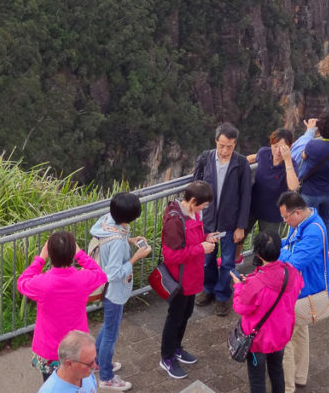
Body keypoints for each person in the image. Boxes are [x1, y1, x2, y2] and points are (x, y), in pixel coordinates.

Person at [17, 230, 107, 383]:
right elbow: (100, 274)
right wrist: (80, 254)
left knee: (53, 386)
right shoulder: (83, 279)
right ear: (72, 254)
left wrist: (40, 258)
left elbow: (22, 281)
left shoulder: (41, 283)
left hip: (49, 350)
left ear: (50, 255)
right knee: (79, 385)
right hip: (77, 350)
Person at [90, 192, 152, 389]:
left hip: (110, 290)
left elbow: (115, 239)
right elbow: (114, 273)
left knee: (108, 327)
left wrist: (130, 240)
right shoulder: (116, 240)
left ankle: (97, 362)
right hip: (114, 292)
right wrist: (136, 257)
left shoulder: (107, 221)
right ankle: (106, 377)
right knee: (111, 333)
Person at [231, 230, 304, 393]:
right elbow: (298, 287)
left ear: (258, 254)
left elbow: (240, 307)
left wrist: (238, 286)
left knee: (257, 381)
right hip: (281, 335)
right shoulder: (290, 272)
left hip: (258, 340)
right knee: (277, 370)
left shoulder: (256, 284)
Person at [160, 180, 216, 379]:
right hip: (180, 279)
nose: (205, 208)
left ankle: (176, 347)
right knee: (174, 317)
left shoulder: (194, 212)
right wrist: (200, 248)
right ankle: (166, 357)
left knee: (186, 313)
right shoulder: (174, 221)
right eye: (203, 205)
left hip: (192, 276)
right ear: (193, 201)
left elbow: (194, 238)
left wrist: (206, 238)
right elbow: (171, 256)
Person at [193, 122, 252, 316]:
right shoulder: (205, 158)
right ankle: (208, 289)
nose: (225, 150)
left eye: (230, 146)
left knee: (227, 262)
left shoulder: (241, 163)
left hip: (229, 223)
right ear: (216, 141)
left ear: (235, 144)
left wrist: (241, 226)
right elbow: (196, 187)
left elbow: (245, 196)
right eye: (222, 145)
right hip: (208, 222)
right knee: (207, 259)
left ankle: (223, 295)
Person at [277, 191, 329, 393]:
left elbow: (294, 261)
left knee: (286, 340)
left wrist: (277, 250)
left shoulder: (313, 231)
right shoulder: (306, 222)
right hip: (303, 290)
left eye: (285, 217)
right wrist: (279, 243)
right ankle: (300, 377)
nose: (284, 221)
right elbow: (291, 245)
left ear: (297, 213)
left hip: (303, 292)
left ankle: (286, 386)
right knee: (300, 332)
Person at [291, 111, 329, 231]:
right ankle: (324, 248)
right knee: (326, 223)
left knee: (304, 224)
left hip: (309, 192)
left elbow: (302, 155)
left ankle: (306, 248)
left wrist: (310, 130)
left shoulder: (313, 145)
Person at [247, 129, 299, 235]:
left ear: (290, 147)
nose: (278, 151)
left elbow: (293, 186)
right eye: (275, 146)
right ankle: (238, 253)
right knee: (239, 237)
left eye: (283, 148)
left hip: (272, 214)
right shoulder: (263, 153)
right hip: (252, 206)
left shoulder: (291, 164)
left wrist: (287, 160)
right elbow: (253, 158)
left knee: (267, 245)